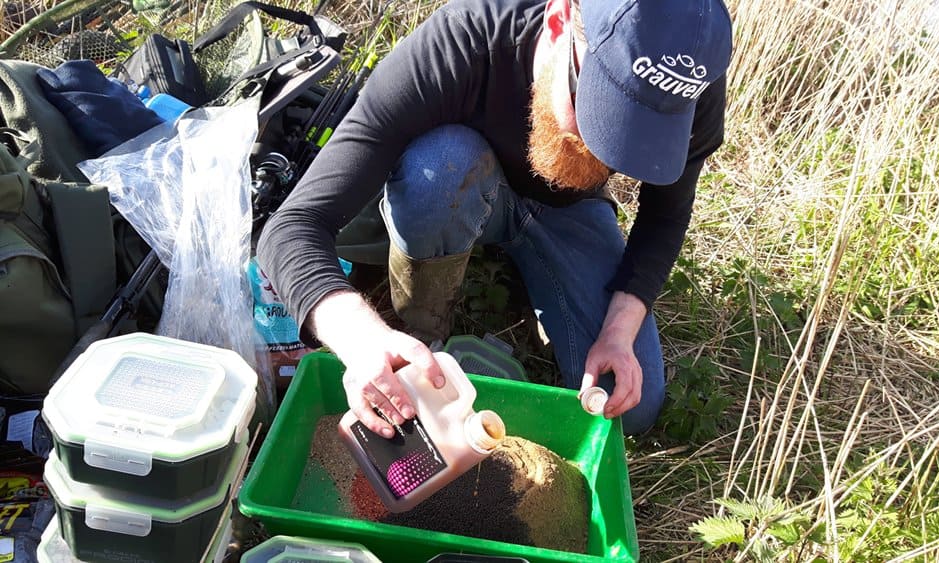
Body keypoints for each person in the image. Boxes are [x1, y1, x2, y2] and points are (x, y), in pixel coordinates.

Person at [258, 0, 732, 437]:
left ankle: (531, 272)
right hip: (454, 183)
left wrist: (619, 328)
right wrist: (361, 339)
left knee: (631, 406)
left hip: (570, 213)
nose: (602, 149)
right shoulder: (463, 43)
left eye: (637, 134)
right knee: (438, 169)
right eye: (600, 116)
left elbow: (665, 218)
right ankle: (424, 329)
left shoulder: (689, 81)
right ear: (559, 21)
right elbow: (292, 227)